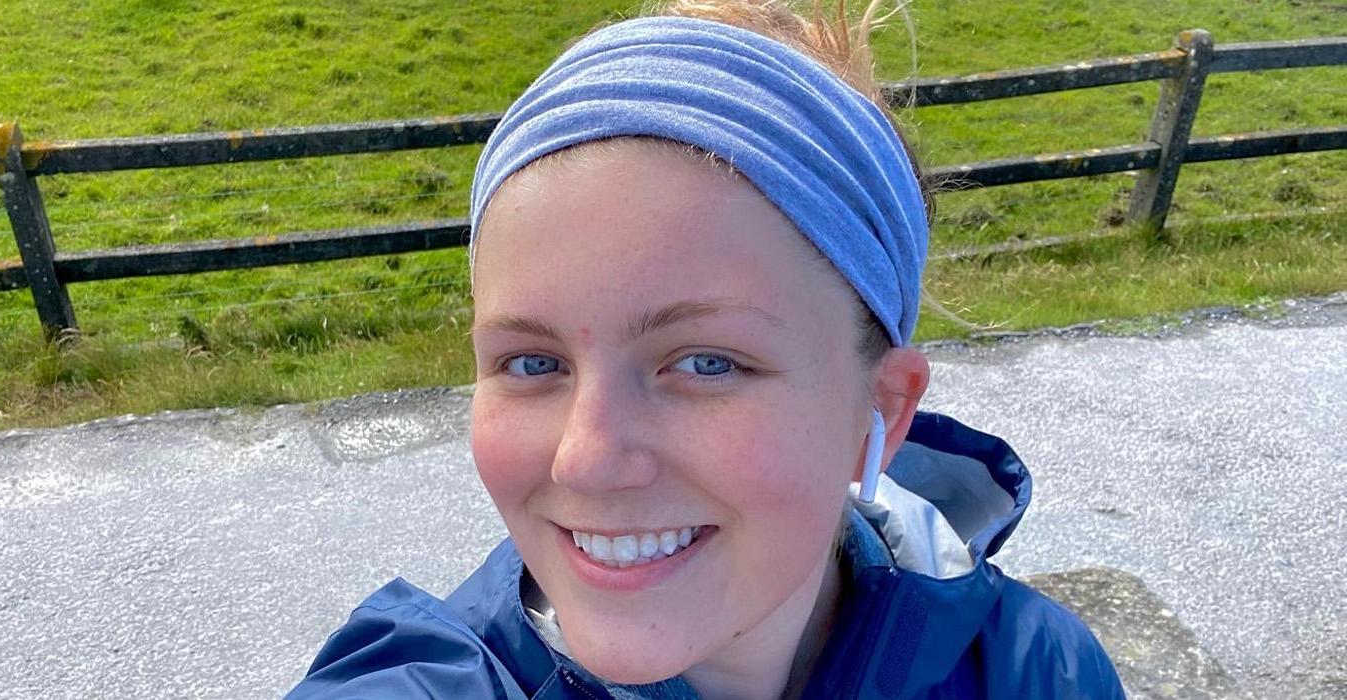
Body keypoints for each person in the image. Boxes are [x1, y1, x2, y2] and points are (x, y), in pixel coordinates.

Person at [287, 1, 1125, 697]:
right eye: (532, 363)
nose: (587, 461)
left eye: (705, 363)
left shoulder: (1035, 672)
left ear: (883, 407)